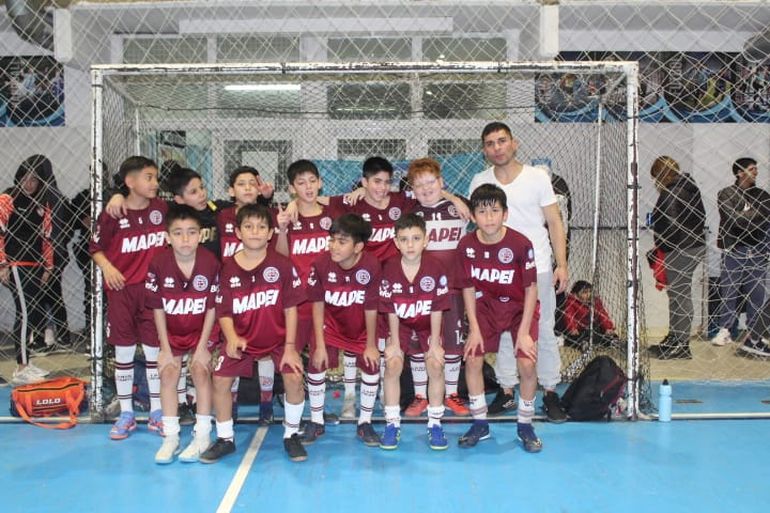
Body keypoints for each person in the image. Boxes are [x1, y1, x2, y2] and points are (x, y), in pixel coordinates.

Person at [469, 122, 568, 422]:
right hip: (496, 272)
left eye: (502, 141)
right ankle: (506, 389)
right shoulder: (480, 181)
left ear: (514, 143)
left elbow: (554, 222)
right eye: (490, 143)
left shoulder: (537, 177)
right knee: (503, 331)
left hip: (537, 268)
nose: (497, 147)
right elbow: (475, 224)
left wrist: (561, 264)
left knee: (544, 330)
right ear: (484, 150)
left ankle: (549, 391)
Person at [200, 204, 307, 463]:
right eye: (248, 227)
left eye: (261, 227)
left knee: (294, 377)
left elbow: (291, 308)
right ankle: (225, 438)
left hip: (279, 339)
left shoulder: (282, 265)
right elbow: (224, 310)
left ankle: (291, 434)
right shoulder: (227, 268)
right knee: (220, 380)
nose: (255, 232)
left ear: (270, 233)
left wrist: (290, 347)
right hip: (242, 338)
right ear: (238, 232)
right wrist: (231, 337)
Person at [456, 184, 542, 452]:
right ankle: (480, 424)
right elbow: (467, 288)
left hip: (519, 308)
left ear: (505, 214)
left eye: (495, 211)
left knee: (527, 364)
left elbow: (531, 288)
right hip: (485, 308)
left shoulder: (520, 244)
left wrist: (524, 332)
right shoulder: (466, 245)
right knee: (473, 359)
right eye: (482, 212)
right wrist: (473, 328)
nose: (489, 217)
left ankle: (525, 425)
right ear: (473, 216)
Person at [90, 156, 168, 440]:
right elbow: (95, 247)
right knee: (123, 352)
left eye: (156, 177)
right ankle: (126, 414)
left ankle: (157, 412)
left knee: (153, 352)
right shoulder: (113, 212)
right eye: (149, 177)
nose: (155, 183)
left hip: (152, 292)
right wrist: (108, 267)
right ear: (130, 182)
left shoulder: (162, 209)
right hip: (122, 291)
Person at [145, 205, 219, 464]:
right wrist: (165, 348)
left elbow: (212, 307)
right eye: (178, 233)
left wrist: (203, 346)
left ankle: (203, 435)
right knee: (168, 372)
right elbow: (157, 308)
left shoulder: (210, 263)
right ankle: (171, 437)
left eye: (191, 232)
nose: (185, 239)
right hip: (172, 329)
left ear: (201, 235)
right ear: (168, 237)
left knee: (200, 369)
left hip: (202, 328)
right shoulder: (158, 264)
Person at [274, 160, 345, 426]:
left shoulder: (333, 214)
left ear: (320, 183)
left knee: (319, 358)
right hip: (296, 302)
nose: (308, 187)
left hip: (325, 301)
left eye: (312, 181)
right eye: (301, 183)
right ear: (292, 188)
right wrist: (282, 230)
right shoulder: (286, 217)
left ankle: (316, 416)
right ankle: (293, 417)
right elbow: (280, 257)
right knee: (290, 358)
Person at [302, 213, 382, 446]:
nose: (334, 246)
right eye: (332, 240)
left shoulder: (371, 265)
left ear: (358, 247)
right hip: (331, 324)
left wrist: (370, 345)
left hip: (360, 325)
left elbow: (371, 307)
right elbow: (317, 304)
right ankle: (316, 421)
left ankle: (364, 422)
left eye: (342, 241)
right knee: (316, 362)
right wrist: (319, 344)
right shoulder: (321, 263)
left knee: (371, 363)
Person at [402, 158, 470, 417]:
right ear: (412, 189)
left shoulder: (459, 207)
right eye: (419, 185)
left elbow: (482, 215)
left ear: (441, 182)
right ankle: (420, 396)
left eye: (431, 182)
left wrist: (452, 198)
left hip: (452, 290)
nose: (426, 189)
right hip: (420, 293)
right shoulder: (411, 212)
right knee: (418, 345)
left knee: (453, 344)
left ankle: (451, 394)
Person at [378, 213, 451, 450]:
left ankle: (435, 424)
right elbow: (390, 309)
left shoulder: (436, 267)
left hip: (427, 323)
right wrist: (393, 343)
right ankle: (392, 424)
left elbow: (438, 308)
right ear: (396, 242)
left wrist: (435, 344)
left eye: (416, 238)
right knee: (393, 364)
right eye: (404, 239)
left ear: (426, 240)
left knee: (435, 364)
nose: (410, 245)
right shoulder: (389, 268)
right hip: (399, 322)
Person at [216, 166, 277, 424]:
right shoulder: (220, 215)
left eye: (253, 182)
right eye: (242, 183)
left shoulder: (270, 215)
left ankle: (266, 403)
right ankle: (230, 403)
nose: (248, 187)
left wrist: (268, 201)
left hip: (262, 290)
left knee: (264, 350)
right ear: (231, 190)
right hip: (232, 290)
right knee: (234, 347)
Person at [0, 156, 54, 385]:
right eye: (25, 178)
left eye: (34, 180)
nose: (29, 184)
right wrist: (2, 264)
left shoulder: (42, 203)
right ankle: (21, 367)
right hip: (16, 265)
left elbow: (47, 238)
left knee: (32, 313)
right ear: (19, 178)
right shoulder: (8, 198)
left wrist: (48, 267)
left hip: (35, 266)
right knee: (25, 313)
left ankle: (26, 361)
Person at [647, 156, 706, 360]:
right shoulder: (690, 188)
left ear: (661, 174)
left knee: (680, 296)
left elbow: (671, 225)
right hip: (692, 246)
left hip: (679, 248)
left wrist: (663, 246)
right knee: (678, 294)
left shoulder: (671, 192)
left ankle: (681, 344)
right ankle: (675, 338)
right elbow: (700, 218)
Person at [711, 158, 770, 350]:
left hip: (758, 252)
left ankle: (755, 334)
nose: (756, 172)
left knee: (757, 295)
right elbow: (734, 220)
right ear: (739, 172)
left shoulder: (762, 195)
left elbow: (760, 219)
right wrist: (752, 218)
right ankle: (725, 330)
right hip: (733, 250)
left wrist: (745, 218)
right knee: (729, 293)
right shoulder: (726, 193)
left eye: (756, 168)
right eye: (752, 169)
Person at [35, 155, 75, 349]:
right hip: (55, 252)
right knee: (52, 295)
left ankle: (47, 336)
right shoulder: (57, 195)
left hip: (48, 253)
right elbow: (70, 227)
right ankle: (60, 335)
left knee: (45, 295)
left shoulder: (46, 197)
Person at [563, 280, 619, 349]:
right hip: (580, 330)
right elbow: (569, 316)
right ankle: (583, 344)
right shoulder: (572, 302)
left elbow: (602, 315)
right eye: (584, 292)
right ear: (575, 294)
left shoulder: (595, 301)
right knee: (573, 338)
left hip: (594, 328)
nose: (588, 294)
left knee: (607, 334)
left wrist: (607, 327)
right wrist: (572, 328)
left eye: (590, 291)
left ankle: (611, 342)